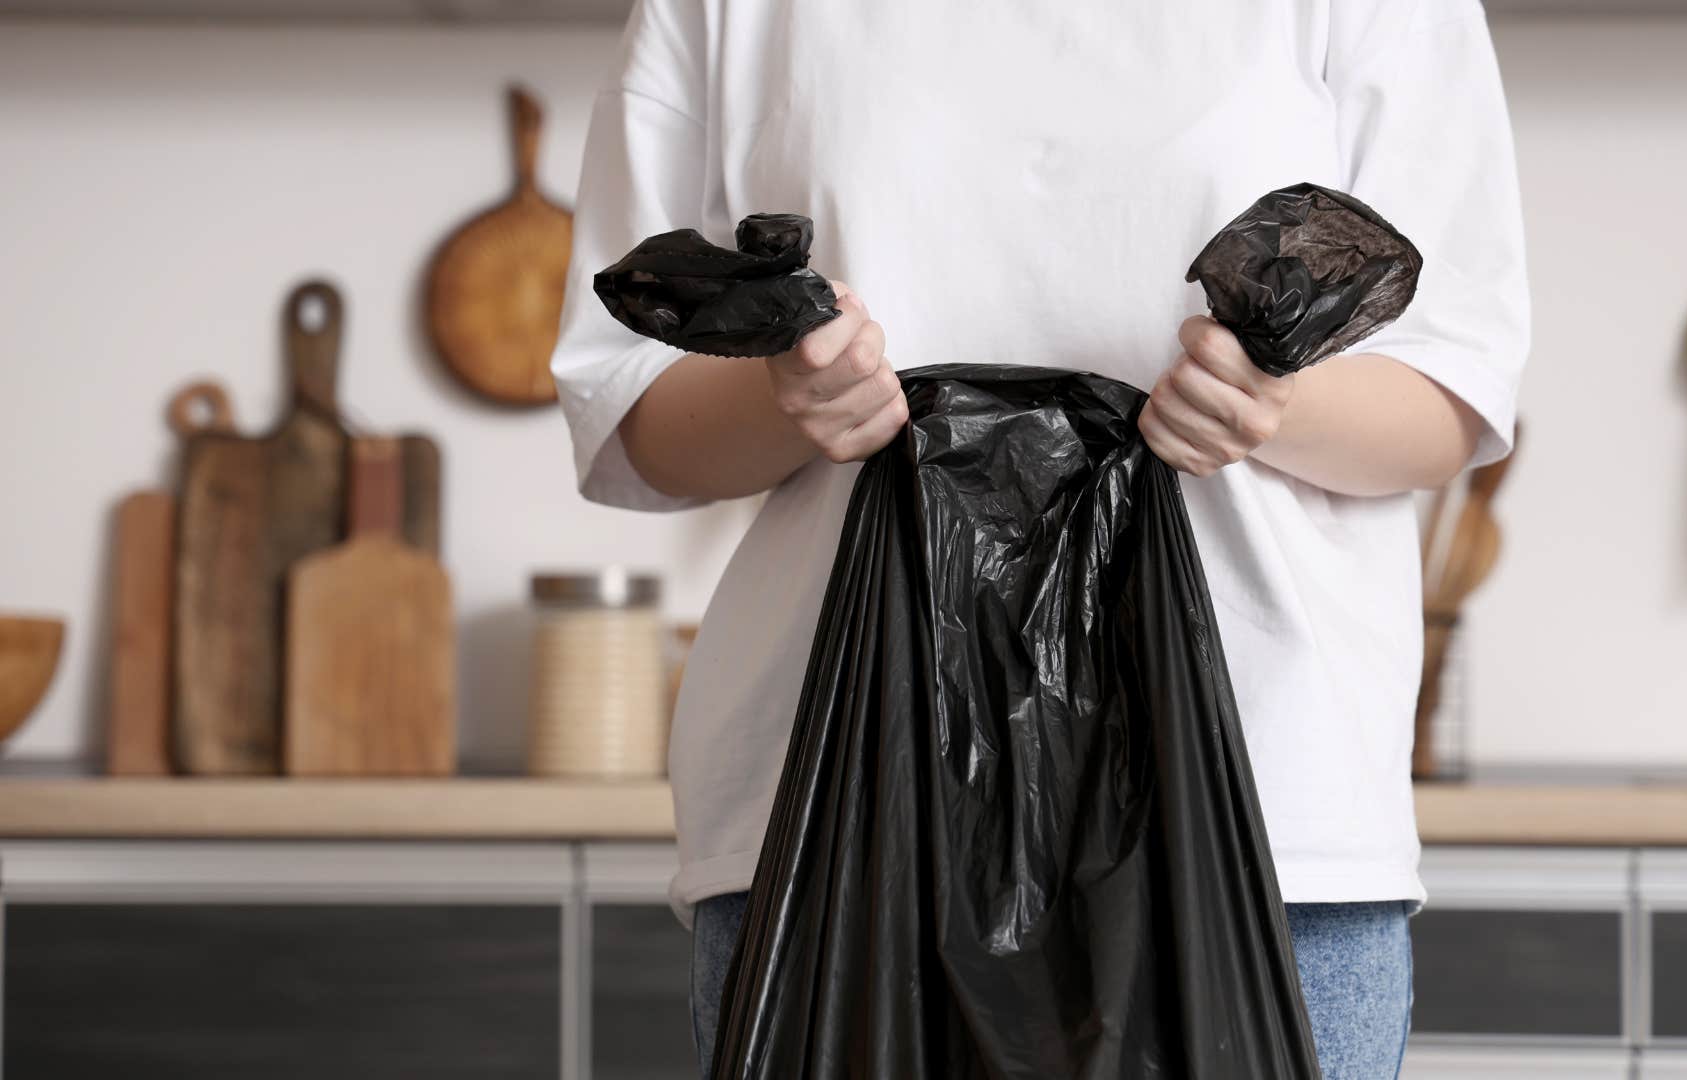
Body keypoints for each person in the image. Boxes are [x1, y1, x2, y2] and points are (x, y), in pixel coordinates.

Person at [551, 1, 1528, 1075]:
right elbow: (629, 411)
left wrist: (1272, 409)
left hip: (1264, 823)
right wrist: (790, 395)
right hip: (838, 825)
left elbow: (1456, 384)